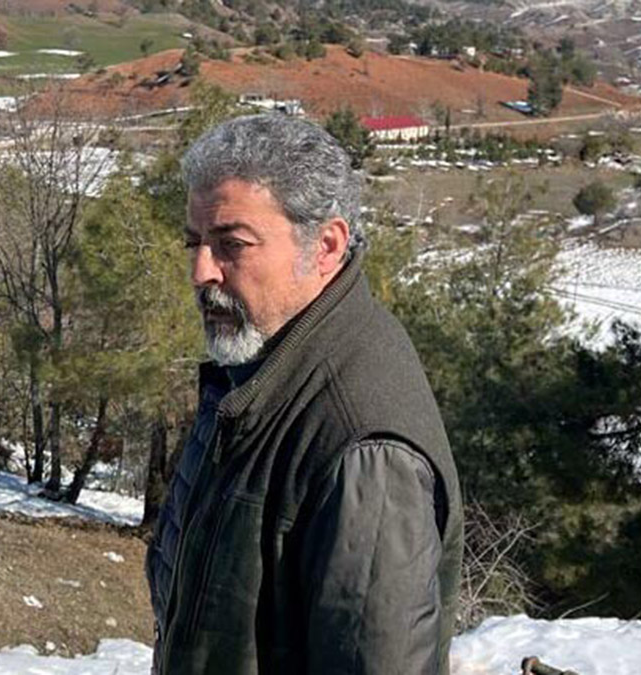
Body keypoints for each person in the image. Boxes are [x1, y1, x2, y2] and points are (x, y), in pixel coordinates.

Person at [146, 113, 463, 675]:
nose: (201, 272)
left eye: (231, 244)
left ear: (325, 246)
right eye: (195, 242)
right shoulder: (258, 372)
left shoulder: (366, 452)